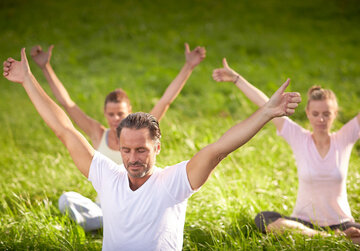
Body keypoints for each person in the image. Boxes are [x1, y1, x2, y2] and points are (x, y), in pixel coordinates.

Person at [3, 49, 300, 250]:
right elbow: (65, 131)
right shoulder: (107, 176)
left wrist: (266, 113)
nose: (133, 159)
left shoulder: (172, 182)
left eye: (142, 150)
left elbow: (219, 149)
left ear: (157, 147)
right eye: (127, 150)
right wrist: (28, 80)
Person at [30, 43, 206, 231]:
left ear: (129, 112)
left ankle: (108, 223)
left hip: (136, 204)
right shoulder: (98, 133)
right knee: (67, 199)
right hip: (104, 208)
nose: (115, 119)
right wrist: (45, 67)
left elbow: (165, 100)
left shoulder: (142, 131)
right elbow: (67, 103)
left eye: (120, 114)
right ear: (105, 114)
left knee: (131, 212)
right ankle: (107, 222)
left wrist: (189, 66)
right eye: (111, 114)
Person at [213, 58, 360, 243]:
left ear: (335, 114)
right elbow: (265, 104)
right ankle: (331, 238)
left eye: (326, 114)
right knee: (263, 219)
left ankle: (336, 236)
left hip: (342, 222)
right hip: (304, 223)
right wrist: (236, 79)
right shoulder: (298, 137)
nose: (321, 119)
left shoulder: (344, 138)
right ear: (307, 113)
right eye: (316, 114)